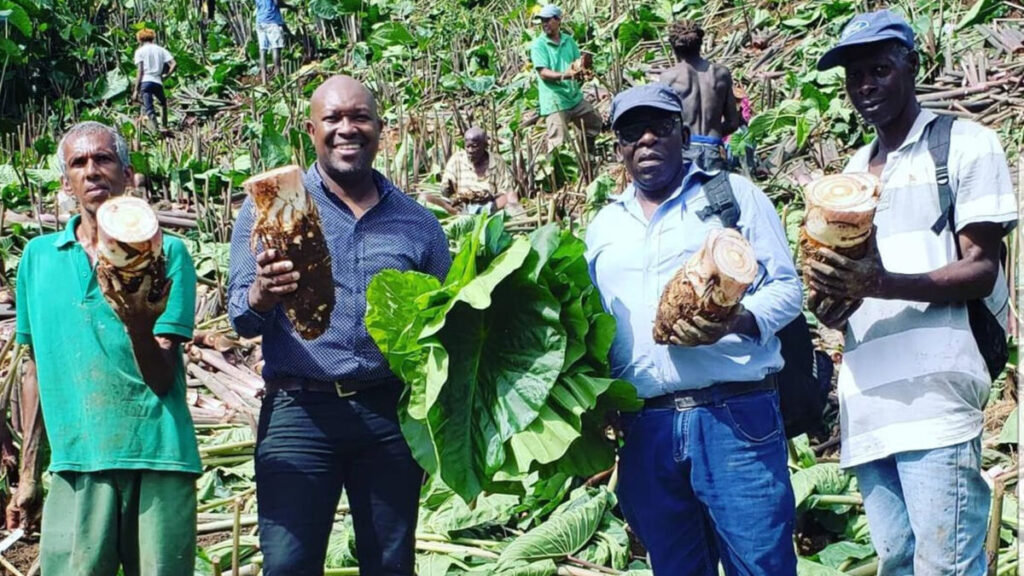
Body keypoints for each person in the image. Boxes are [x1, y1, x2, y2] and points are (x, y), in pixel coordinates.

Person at [807, 10, 1016, 575]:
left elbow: (981, 269)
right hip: (867, 402)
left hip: (935, 397)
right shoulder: (849, 174)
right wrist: (833, 299)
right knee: (898, 560)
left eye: (879, 69)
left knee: (945, 564)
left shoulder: (964, 145)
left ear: (912, 66)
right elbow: (843, 298)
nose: (865, 86)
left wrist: (879, 283)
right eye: (855, 77)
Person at [227, 75, 451, 575]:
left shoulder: (418, 223)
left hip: (388, 415)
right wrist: (263, 293)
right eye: (333, 119)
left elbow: (443, 325)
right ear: (312, 130)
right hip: (299, 409)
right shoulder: (270, 207)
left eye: (359, 117)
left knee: (391, 563)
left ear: (380, 128)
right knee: (288, 564)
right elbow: (240, 318)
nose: (347, 129)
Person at [585, 84, 801, 575]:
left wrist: (734, 321)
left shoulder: (732, 197)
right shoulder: (602, 227)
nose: (646, 141)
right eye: (631, 132)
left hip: (734, 415)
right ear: (618, 146)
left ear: (681, 133)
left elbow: (788, 290)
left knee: (760, 564)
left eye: (659, 128)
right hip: (647, 426)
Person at [10, 121, 200, 575]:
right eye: (79, 162)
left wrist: (138, 323)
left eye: (104, 159)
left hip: (158, 457)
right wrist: (28, 474)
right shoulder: (38, 259)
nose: (92, 170)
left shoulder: (167, 255)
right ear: (66, 182)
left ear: (129, 175)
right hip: (76, 463)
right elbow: (36, 370)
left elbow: (160, 376)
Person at [659, 19, 742, 171]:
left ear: (674, 49)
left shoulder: (669, 78)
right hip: (715, 149)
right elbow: (732, 123)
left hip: (685, 150)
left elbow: (662, 125)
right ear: (700, 44)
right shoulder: (721, 74)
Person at [531, 4, 602, 155]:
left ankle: (586, 155)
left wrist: (584, 71)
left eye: (548, 20)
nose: (544, 24)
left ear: (558, 20)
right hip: (555, 100)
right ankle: (560, 174)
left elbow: (577, 64)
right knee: (559, 143)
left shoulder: (568, 41)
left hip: (573, 97)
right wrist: (567, 75)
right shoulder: (539, 45)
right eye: (542, 21)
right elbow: (543, 72)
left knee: (594, 122)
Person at [419, 127, 520, 215]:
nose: (470, 151)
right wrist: (447, 190)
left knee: (511, 196)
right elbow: (446, 190)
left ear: (485, 145)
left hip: (489, 207)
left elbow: (506, 189)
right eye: (468, 146)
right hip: (460, 207)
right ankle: (456, 214)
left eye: (474, 146)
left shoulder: (497, 161)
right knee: (424, 197)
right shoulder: (457, 159)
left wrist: (489, 197)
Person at [132, 28, 176, 131]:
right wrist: (166, 75)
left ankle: (155, 130)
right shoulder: (161, 50)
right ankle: (165, 126)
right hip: (157, 82)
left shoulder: (139, 51)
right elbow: (174, 64)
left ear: (140, 39)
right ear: (153, 38)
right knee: (163, 103)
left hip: (145, 82)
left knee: (149, 108)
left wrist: (135, 90)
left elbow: (140, 71)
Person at [255, 0, 290, 84]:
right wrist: (290, 7)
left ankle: (264, 80)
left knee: (263, 50)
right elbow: (276, 3)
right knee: (276, 48)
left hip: (260, 22)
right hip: (272, 21)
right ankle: (278, 76)